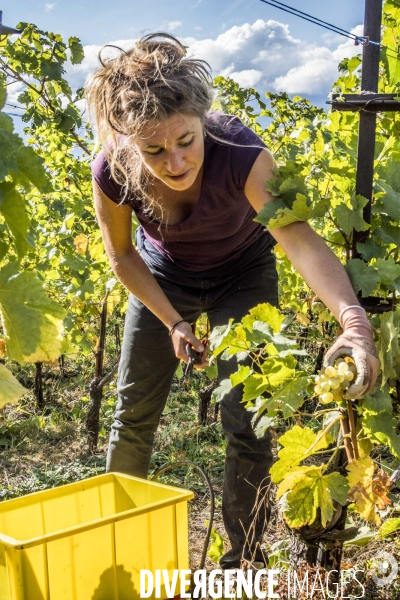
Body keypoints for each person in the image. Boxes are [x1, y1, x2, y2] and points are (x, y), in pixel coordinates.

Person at [86, 33, 379, 569]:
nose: (175, 162)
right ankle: (118, 554)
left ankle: (242, 562)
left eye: (187, 141)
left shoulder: (243, 155)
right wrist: (173, 322)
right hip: (161, 276)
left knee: (247, 424)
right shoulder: (110, 171)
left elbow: (298, 238)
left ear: (203, 120)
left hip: (243, 273)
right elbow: (124, 257)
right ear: (128, 144)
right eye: (154, 150)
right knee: (132, 413)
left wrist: (354, 322)